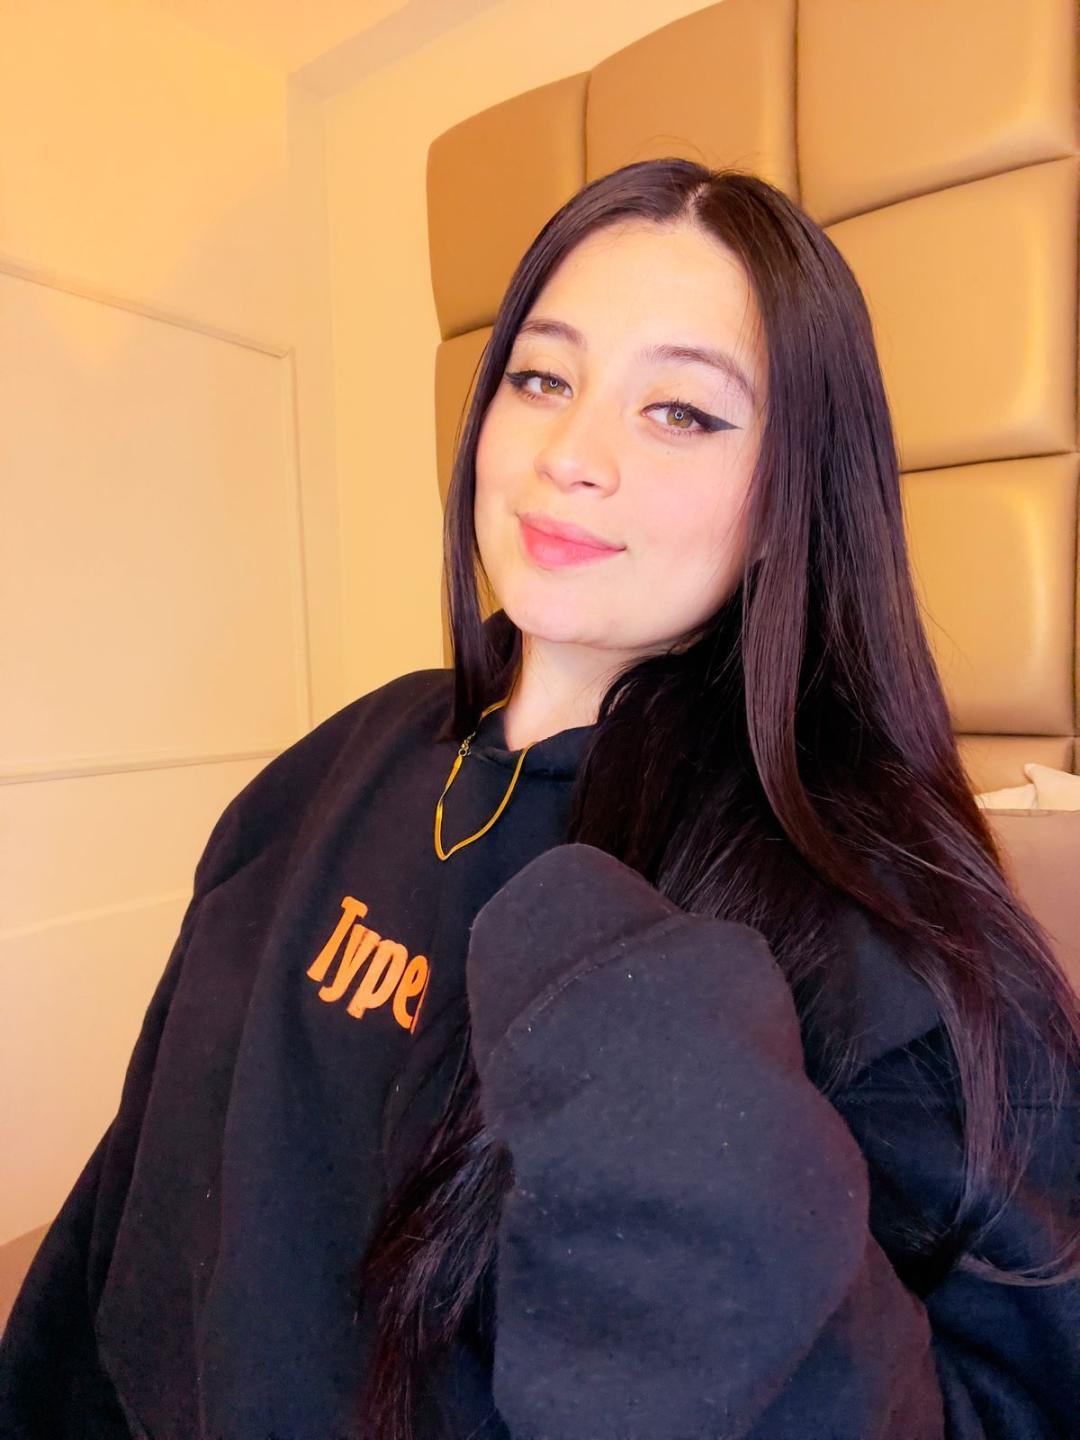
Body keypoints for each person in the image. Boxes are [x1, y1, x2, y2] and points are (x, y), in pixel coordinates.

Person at [1, 158, 1078, 1440]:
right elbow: (128, 1208)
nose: (570, 456)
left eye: (681, 412)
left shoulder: (863, 918)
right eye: (542, 379)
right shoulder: (331, 765)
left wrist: (711, 1173)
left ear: (789, 498)